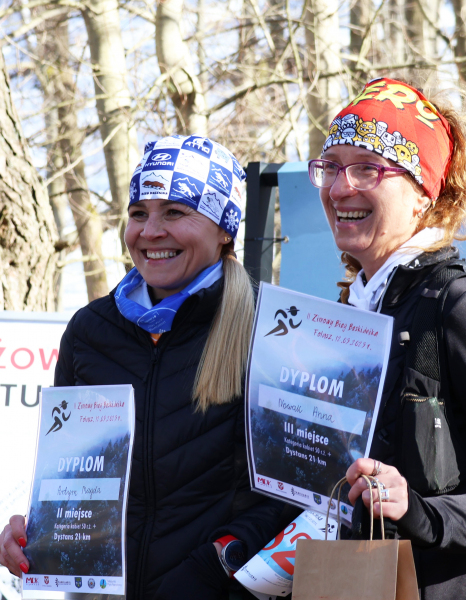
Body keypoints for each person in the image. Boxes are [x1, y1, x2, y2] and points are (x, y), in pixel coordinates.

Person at [308, 78, 466, 599]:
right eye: (331, 166)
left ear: (424, 196)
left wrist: (424, 514)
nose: (338, 189)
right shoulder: (348, 311)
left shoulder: (462, 306)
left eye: (367, 168)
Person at [0, 135, 284, 600]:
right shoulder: (89, 331)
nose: (150, 232)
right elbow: (74, 483)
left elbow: (294, 499)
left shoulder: (269, 329)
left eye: (174, 212)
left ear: (224, 229)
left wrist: (214, 566)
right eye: (138, 213)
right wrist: (36, 534)